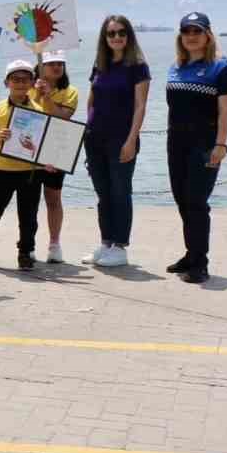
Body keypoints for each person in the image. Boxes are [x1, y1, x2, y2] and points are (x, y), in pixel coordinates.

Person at [165, 12, 227, 284]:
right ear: (181, 37)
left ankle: (200, 263)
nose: (191, 36)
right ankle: (190, 254)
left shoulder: (222, 69)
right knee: (182, 200)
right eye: (187, 32)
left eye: (197, 31)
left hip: (205, 145)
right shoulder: (175, 67)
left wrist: (221, 144)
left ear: (208, 35)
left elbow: (225, 112)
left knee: (196, 202)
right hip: (176, 144)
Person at [84, 15, 150, 268]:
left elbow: (140, 106)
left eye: (121, 32)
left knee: (121, 191)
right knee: (103, 193)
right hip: (95, 138)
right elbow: (92, 100)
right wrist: (87, 129)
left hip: (121, 138)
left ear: (129, 35)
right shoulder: (100, 64)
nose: (116, 37)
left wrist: (131, 139)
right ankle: (106, 242)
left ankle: (120, 247)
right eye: (111, 34)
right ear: (105, 38)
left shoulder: (138, 66)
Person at [0, 59, 43, 272]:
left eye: (26, 79)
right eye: (15, 79)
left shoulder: (38, 109)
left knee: (29, 216)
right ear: (7, 83)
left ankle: (25, 253)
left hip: (30, 172)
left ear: (32, 83)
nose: (21, 84)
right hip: (3, 169)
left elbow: (43, 142)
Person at [31, 52, 78, 264]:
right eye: (51, 63)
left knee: (53, 197)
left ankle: (54, 243)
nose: (57, 67)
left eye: (60, 63)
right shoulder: (29, 88)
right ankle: (27, 244)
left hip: (56, 147)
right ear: (41, 66)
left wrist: (48, 96)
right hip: (29, 147)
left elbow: (62, 117)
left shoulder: (70, 92)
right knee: (28, 199)